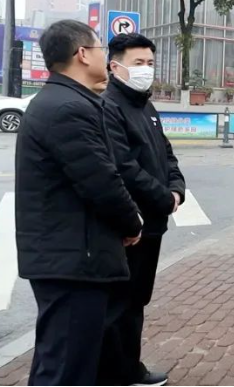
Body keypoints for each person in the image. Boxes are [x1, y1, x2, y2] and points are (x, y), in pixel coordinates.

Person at [15, 20, 143, 386]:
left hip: (69, 257)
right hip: (73, 262)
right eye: (101, 49)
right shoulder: (68, 108)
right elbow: (101, 181)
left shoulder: (63, 101)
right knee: (65, 370)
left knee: (63, 361)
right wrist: (132, 222)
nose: (105, 57)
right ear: (83, 54)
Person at [98, 33, 186, 386]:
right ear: (115, 66)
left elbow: (166, 154)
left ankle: (128, 369)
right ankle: (116, 374)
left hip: (152, 224)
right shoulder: (109, 107)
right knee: (119, 305)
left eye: (150, 63)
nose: (146, 70)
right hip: (129, 226)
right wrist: (163, 198)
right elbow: (124, 167)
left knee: (136, 301)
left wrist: (176, 188)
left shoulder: (145, 106)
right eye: (138, 63)